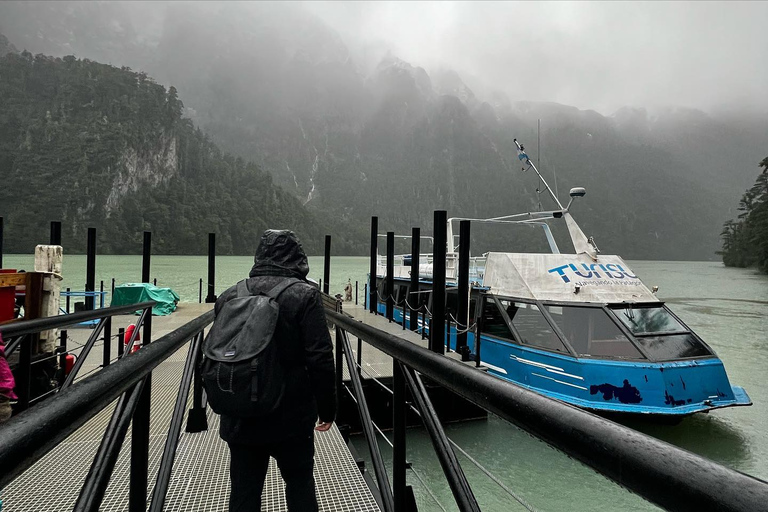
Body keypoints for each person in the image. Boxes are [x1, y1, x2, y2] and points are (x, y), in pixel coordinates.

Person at [215, 230, 336, 512]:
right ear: (298, 257)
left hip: (240, 411)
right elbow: (320, 358)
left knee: (244, 491)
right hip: (291, 414)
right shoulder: (304, 295)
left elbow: (216, 353)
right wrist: (328, 409)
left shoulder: (229, 295)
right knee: (299, 484)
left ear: (259, 256)